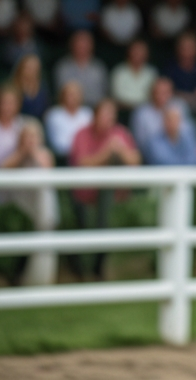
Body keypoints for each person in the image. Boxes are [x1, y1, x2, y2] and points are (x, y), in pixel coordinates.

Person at [69, 99, 140, 280]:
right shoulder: (82, 134)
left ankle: (101, 267)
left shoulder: (120, 133)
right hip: (85, 195)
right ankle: (86, 269)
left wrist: (120, 151)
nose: (109, 119)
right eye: (105, 114)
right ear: (95, 116)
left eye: (112, 115)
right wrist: (106, 153)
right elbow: (81, 162)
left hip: (115, 197)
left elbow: (135, 160)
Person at [0, 119, 60, 285]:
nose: (31, 140)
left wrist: (33, 152)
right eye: (27, 136)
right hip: (22, 208)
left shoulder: (45, 154)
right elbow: (2, 168)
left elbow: (46, 167)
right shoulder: (15, 154)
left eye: (34, 136)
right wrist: (22, 153)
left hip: (41, 208)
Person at [130, 77, 193, 156]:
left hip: (181, 155)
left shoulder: (180, 106)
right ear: (152, 93)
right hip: (152, 159)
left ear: (171, 93)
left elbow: (189, 134)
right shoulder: (141, 113)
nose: (161, 96)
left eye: (165, 92)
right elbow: (141, 144)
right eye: (158, 92)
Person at [53, 30, 107, 107]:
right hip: (69, 109)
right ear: (71, 46)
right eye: (79, 44)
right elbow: (61, 93)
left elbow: (104, 93)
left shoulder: (99, 67)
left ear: (92, 46)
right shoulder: (63, 67)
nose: (82, 47)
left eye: (85, 44)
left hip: (95, 110)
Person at [163, 32, 196, 110]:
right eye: (183, 48)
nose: (186, 52)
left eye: (190, 48)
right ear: (177, 49)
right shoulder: (170, 67)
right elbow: (166, 91)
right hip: (176, 106)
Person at [44, 81, 92, 158]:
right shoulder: (54, 114)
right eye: (70, 94)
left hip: (86, 154)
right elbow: (56, 142)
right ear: (63, 95)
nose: (74, 97)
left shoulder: (87, 113)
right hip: (62, 157)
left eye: (76, 94)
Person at [110, 40, 157, 109]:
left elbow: (155, 96)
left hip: (145, 111)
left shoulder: (152, 72)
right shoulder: (119, 71)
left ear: (147, 54)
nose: (138, 54)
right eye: (135, 51)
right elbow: (116, 96)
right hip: (123, 110)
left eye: (141, 51)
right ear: (129, 52)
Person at [11, 54, 48, 119]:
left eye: (34, 68)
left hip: (37, 124)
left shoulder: (42, 88)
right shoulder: (12, 87)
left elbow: (46, 110)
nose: (31, 71)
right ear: (21, 68)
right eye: (28, 67)